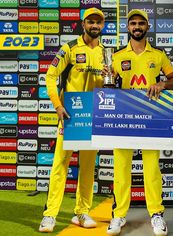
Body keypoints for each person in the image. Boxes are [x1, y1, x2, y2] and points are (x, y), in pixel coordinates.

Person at [105, 9, 173, 236]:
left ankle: (156, 214)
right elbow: (109, 86)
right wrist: (107, 77)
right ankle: (119, 215)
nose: (137, 27)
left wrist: (162, 85)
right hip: (124, 119)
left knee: (151, 170)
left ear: (147, 27)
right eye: (133, 24)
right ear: (127, 28)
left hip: (151, 119)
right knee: (121, 170)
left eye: (141, 23)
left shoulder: (157, 55)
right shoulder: (117, 56)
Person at [39, 7, 105, 233]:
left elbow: (108, 85)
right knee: (60, 165)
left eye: (98, 22)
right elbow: (50, 76)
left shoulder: (106, 52)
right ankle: (50, 215)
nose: (94, 25)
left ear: (102, 25)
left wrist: (111, 78)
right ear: (83, 23)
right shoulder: (69, 48)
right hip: (70, 117)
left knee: (87, 167)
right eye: (90, 21)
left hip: (93, 117)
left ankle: (82, 212)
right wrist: (57, 104)